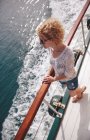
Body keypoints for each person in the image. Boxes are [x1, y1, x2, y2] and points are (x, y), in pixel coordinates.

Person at [36, 18, 86, 102]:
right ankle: (77, 89)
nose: (41, 43)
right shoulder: (51, 49)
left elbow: (69, 73)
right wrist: (49, 74)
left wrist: (54, 79)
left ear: (53, 39)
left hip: (70, 78)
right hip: (60, 78)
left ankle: (80, 91)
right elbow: (54, 62)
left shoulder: (68, 54)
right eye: (40, 40)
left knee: (72, 94)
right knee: (69, 89)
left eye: (43, 40)